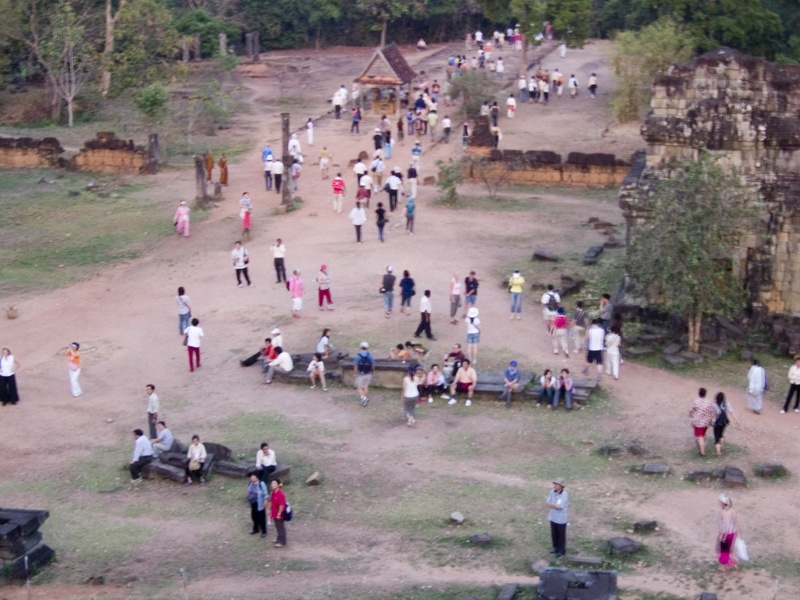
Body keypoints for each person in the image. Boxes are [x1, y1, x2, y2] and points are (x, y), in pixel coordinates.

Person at [689, 388, 716, 457]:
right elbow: (712, 412)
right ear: (705, 394)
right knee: (703, 434)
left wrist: (690, 414)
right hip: (706, 421)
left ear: (699, 393)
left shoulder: (696, 401)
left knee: (700, 436)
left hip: (698, 422)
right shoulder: (709, 402)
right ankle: (701, 444)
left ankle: (702, 452)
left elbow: (692, 409)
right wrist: (710, 420)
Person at [546, 478, 569, 558]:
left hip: (561, 519)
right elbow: (547, 502)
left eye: (557, 484)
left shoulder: (565, 494)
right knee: (554, 534)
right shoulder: (552, 492)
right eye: (554, 484)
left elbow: (560, 506)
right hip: (553, 517)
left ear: (561, 486)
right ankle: (555, 548)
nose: (555, 486)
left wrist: (553, 504)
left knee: (561, 536)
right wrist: (553, 505)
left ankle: (561, 551)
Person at [713, 392, 740, 456]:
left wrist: (710, 422)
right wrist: (737, 420)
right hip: (724, 422)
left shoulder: (714, 405)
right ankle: (722, 446)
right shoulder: (726, 403)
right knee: (721, 434)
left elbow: (713, 415)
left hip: (717, 423)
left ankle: (718, 453)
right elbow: (731, 412)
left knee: (717, 437)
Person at [717, 494, 739, 571]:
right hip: (732, 533)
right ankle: (732, 563)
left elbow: (726, 525)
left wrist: (723, 536)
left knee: (723, 550)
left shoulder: (723, 513)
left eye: (720, 502)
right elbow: (736, 524)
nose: (719, 504)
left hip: (726, 534)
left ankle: (724, 566)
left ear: (723, 503)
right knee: (728, 550)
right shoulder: (733, 511)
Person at [247, 472, 269, 538]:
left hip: (260, 503)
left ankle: (264, 531)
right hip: (253, 502)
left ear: (257, 477)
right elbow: (249, 493)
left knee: (261, 517)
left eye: (253, 476)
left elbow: (265, 494)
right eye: (251, 476)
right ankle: (256, 529)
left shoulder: (261, 484)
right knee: (254, 516)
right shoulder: (251, 484)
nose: (251, 478)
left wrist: (265, 501)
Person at [354, 342, 375, 406]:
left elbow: (355, 366)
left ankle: (364, 398)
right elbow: (373, 365)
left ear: (361, 347)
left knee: (359, 387)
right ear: (367, 348)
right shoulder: (370, 356)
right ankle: (365, 398)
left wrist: (355, 373)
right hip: (368, 373)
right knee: (365, 386)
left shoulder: (358, 356)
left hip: (361, 374)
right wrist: (372, 372)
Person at [269, 479, 288, 547]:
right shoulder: (273, 492)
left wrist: (279, 514)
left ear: (278, 485)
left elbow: (281, 505)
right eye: (272, 483)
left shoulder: (280, 494)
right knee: (277, 526)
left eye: (274, 483)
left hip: (279, 514)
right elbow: (272, 502)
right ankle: (278, 538)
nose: (272, 485)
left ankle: (282, 541)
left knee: (281, 527)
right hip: (274, 513)